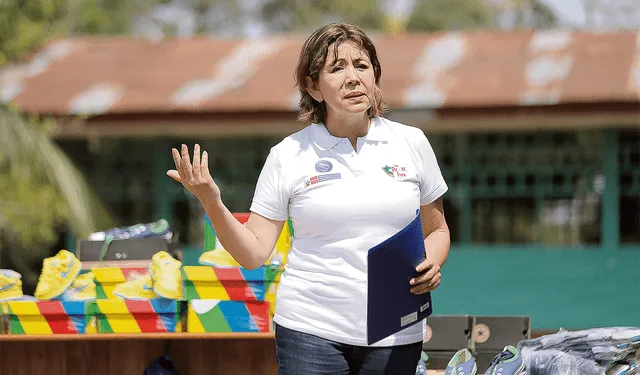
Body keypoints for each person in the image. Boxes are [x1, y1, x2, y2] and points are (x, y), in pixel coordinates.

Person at [167, 22, 451, 375]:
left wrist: (433, 264)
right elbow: (254, 252)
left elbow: (436, 230)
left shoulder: (413, 143)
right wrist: (212, 201)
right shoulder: (289, 155)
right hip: (310, 331)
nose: (352, 78)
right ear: (313, 87)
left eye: (361, 66)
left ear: (375, 76)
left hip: (396, 331)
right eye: (337, 68)